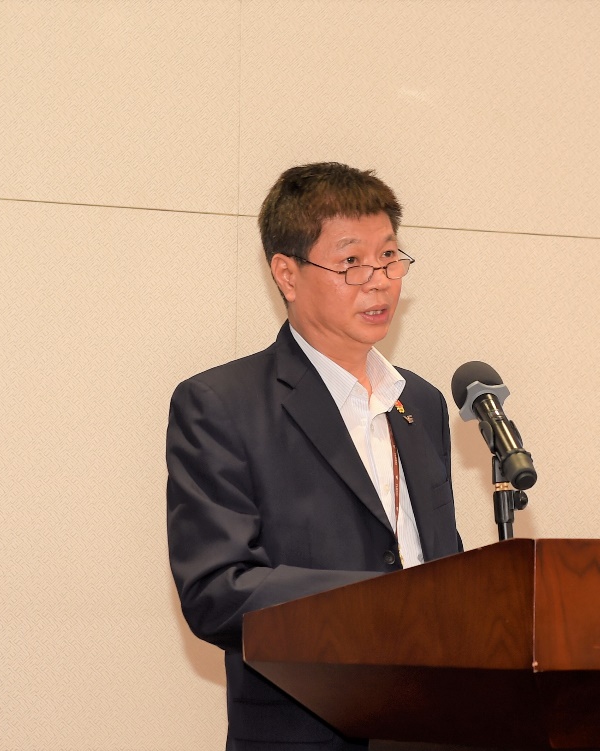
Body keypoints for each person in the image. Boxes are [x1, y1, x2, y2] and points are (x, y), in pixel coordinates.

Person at [167, 162, 463, 750]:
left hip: (431, 728)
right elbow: (216, 590)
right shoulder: (222, 405)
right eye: (351, 262)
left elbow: (439, 566)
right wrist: (383, 606)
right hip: (305, 731)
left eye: (389, 256)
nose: (379, 281)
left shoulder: (420, 402)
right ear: (287, 274)